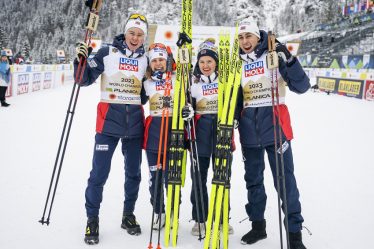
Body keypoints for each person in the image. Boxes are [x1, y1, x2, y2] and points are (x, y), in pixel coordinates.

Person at [74, 13, 149, 244]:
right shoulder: (107, 52)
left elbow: (146, 95)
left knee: (134, 174)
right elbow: (83, 79)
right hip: (107, 125)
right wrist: (81, 60)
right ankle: (92, 219)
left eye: (139, 34)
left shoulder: (146, 59)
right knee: (99, 174)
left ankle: (128, 215)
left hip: (135, 126)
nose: (135, 38)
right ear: (125, 33)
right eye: (132, 33)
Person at [235, 18, 310, 249]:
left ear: (258, 37)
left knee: (286, 183)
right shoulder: (236, 64)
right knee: (253, 182)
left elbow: (302, 86)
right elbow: (235, 99)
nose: (245, 41)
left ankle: (294, 235)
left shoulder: (273, 54)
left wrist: (287, 58)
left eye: (249, 36)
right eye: (241, 37)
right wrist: (235, 118)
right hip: (249, 134)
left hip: (276, 130)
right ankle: (258, 226)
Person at [182, 38, 234, 236]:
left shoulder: (225, 82)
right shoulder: (193, 85)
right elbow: (186, 109)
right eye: (202, 62)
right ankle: (200, 219)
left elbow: (235, 105)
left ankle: (221, 218)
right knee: (198, 179)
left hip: (222, 137)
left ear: (216, 63)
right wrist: (186, 111)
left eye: (209, 62)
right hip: (199, 139)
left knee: (222, 178)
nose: (205, 65)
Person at [142, 43, 175, 230]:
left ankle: (172, 213)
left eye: (161, 59)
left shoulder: (178, 80)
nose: (158, 63)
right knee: (155, 178)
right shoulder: (146, 83)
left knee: (172, 178)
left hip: (174, 135)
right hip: (154, 136)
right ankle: (159, 212)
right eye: (154, 60)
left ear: (167, 61)